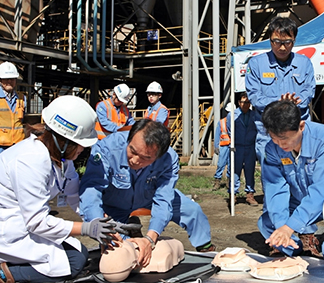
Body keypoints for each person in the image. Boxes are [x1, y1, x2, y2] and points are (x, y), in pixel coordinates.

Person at [0, 95, 117, 283]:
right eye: (81, 145)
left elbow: (75, 197)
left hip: (17, 227)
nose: (83, 150)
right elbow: (38, 222)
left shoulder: (63, 160)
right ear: (63, 140)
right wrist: (87, 229)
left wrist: (102, 221)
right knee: (74, 262)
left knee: (78, 253)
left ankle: (10, 277)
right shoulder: (30, 161)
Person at [79, 119, 216, 264]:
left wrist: (151, 238)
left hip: (148, 196)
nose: (135, 161)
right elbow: (91, 189)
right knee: (124, 251)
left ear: (159, 156)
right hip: (115, 203)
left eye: (146, 158)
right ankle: (131, 231)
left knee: (192, 210)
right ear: (129, 139)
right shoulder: (107, 148)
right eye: (132, 151)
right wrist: (97, 222)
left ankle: (205, 247)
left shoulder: (169, 160)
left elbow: (164, 199)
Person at [258, 100, 324, 264]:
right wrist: (282, 226)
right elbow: (275, 188)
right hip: (302, 199)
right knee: (267, 223)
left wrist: (290, 227)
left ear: (302, 126)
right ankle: (296, 246)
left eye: (284, 138)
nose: (280, 144)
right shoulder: (272, 148)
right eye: (274, 138)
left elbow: (321, 190)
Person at [245, 17, 316, 163]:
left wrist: (295, 102)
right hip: (269, 134)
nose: (282, 47)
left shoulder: (304, 63)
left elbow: (309, 90)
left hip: (298, 133)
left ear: (294, 40)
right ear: (270, 40)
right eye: (277, 42)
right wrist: (279, 103)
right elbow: (254, 96)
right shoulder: (256, 64)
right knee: (272, 177)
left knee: (302, 175)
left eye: (287, 42)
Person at [228, 93, 259, 206]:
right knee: (235, 171)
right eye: (242, 102)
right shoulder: (232, 115)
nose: (245, 105)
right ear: (238, 103)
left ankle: (250, 194)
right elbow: (229, 131)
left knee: (250, 171)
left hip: (250, 147)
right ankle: (233, 194)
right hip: (237, 147)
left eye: (247, 102)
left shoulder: (254, 115)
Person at [213, 103, 233, 190]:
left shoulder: (236, 121)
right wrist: (216, 146)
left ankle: (229, 181)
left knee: (231, 165)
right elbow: (217, 134)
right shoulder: (221, 122)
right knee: (221, 164)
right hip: (224, 146)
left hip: (232, 146)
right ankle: (217, 180)